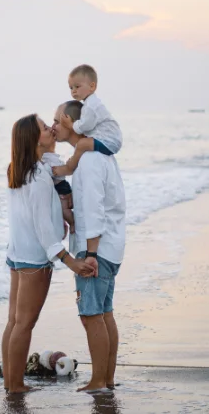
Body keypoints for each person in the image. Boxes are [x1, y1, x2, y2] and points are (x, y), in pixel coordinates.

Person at [2, 114, 96, 394]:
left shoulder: (23, 169)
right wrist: (70, 261)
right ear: (34, 139)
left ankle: (11, 383)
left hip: (18, 252)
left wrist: (51, 148)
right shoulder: (39, 178)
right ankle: (16, 386)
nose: (51, 129)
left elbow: (56, 167)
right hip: (35, 257)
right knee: (24, 324)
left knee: (14, 322)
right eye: (45, 128)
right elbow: (43, 227)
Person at [53, 101, 126, 392]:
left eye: (56, 120)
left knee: (91, 315)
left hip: (97, 249)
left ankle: (98, 381)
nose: (53, 126)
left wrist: (91, 253)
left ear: (69, 120)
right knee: (104, 313)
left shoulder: (90, 159)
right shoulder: (93, 156)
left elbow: (95, 208)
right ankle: (106, 379)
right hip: (109, 245)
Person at [52, 64, 123, 177]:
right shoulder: (90, 104)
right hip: (109, 140)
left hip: (108, 141)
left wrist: (71, 125)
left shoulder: (91, 106)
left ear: (92, 86)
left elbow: (85, 126)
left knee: (82, 144)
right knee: (83, 144)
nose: (74, 91)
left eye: (77, 86)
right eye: (71, 88)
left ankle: (69, 168)